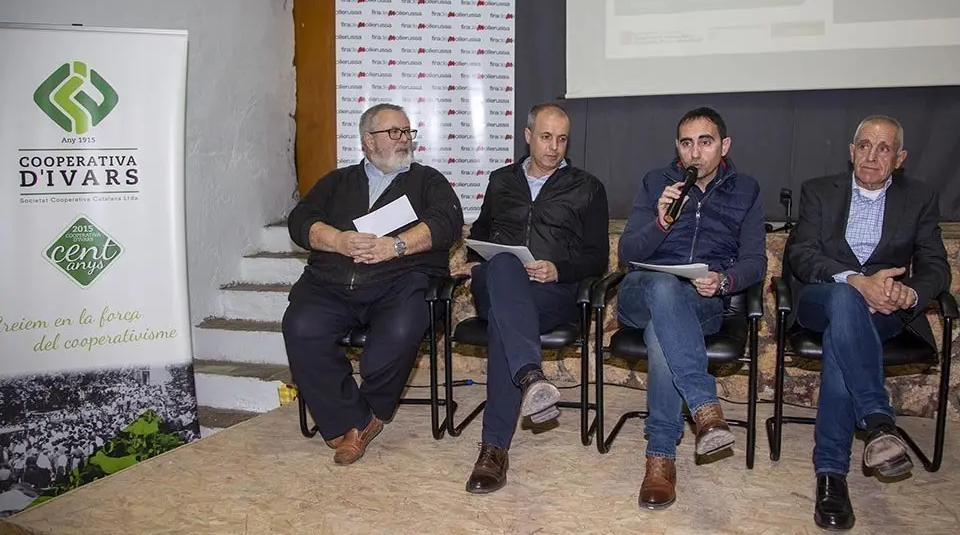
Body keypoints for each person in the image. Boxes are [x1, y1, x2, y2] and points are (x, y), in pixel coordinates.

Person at [784, 115, 950, 531]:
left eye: (883, 149)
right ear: (851, 150)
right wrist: (858, 282)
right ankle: (878, 420)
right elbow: (801, 254)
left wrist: (906, 293)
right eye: (864, 145)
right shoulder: (819, 191)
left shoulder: (920, 198)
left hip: (887, 311)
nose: (871, 156)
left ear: (899, 159)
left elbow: (934, 265)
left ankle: (831, 477)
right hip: (824, 297)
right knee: (845, 301)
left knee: (843, 347)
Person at [282, 103, 464, 465]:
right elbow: (300, 219)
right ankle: (357, 420)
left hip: (399, 282)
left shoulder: (426, 180)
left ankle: (359, 417)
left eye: (407, 132)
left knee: (397, 332)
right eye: (394, 132)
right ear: (368, 141)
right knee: (300, 326)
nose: (404, 140)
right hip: (333, 283)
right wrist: (338, 241)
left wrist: (394, 247)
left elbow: (447, 221)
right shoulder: (337, 182)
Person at [453, 103, 609, 494]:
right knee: (503, 263)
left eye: (561, 139)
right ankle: (531, 377)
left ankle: (493, 449)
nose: (554, 147)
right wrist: (475, 262)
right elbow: (480, 237)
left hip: (552, 295)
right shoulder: (501, 180)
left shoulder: (588, 187)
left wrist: (559, 268)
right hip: (498, 285)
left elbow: (597, 258)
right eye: (545, 137)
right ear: (527, 136)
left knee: (506, 330)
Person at [617, 107, 767, 509]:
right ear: (677, 148)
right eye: (687, 143)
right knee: (663, 286)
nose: (695, 153)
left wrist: (724, 281)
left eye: (705, 142)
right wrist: (660, 224)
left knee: (661, 336)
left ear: (724, 145)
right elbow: (627, 253)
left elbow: (756, 261)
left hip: (701, 300)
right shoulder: (656, 183)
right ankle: (705, 406)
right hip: (641, 292)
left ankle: (660, 455)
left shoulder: (747, 190)